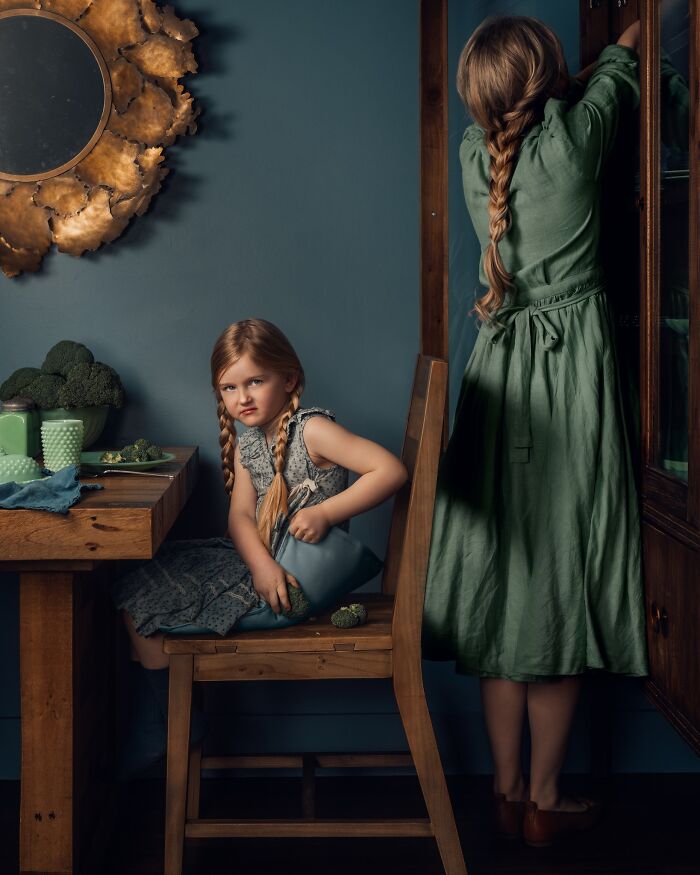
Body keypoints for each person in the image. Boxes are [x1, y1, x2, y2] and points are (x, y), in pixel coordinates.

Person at [421, 16, 648, 847]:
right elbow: (626, 55)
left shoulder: (475, 156)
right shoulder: (580, 135)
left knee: (506, 591)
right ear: (551, 77)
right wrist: (612, 46)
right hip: (567, 383)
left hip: (499, 374)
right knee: (555, 580)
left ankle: (507, 787)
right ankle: (547, 796)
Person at [112, 318, 407, 776]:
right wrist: (260, 566)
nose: (242, 397)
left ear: (288, 379)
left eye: (255, 381)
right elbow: (240, 518)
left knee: (140, 606)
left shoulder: (313, 430)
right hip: (269, 572)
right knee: (138, 578)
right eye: (229, 388)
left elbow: (390, 470)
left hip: (297, 583)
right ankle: (168, 719)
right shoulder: (251, 445)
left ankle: (168, 727)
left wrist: (326, 513)